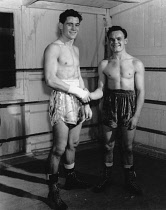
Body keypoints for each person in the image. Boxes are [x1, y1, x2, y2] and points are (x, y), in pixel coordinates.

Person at [44, 9, 92, 210]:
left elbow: (78, 75)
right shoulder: (53, 48)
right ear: (61, 25)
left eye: (77, 24)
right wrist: (76, 91)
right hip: (62, 98)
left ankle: (70, 178)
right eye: (70, 24)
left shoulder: (75, 49)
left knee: (74, 143)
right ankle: (53, 191)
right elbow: (50, 79)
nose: (74, 28)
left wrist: (86, 100)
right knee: (59, 148)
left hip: (77, 99)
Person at [89, 26, 145, 195]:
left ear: (125, 40)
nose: (115, 42)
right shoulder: (104, 64)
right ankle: (107, 178)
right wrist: (89, 97)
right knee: (108, 146)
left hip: (129, 106)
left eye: (119, 38)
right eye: (112, 39)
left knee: (127, 147)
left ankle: (130, 180)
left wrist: (136, 116)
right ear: (108, 41)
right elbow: (101, 89)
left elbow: (141, 91)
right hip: (109, 105)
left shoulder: (136, 63)